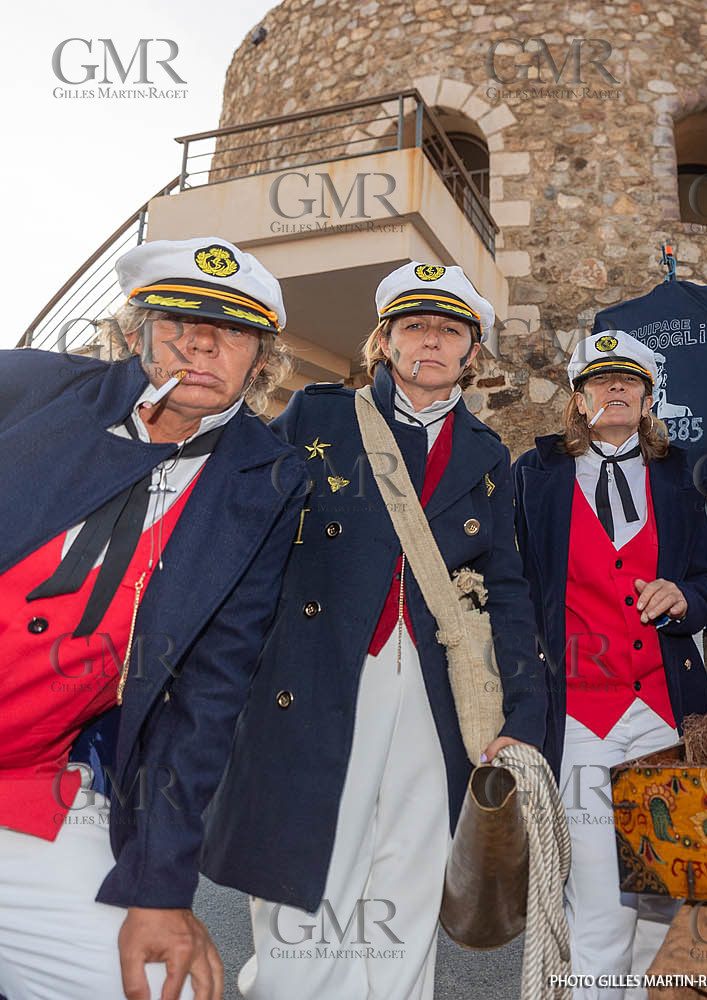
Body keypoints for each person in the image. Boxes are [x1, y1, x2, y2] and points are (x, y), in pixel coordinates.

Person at [198, 262, 546, 1000]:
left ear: (472, 353)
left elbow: (509, 588)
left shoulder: (488, 453)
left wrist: (525, 713)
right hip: (319, 670)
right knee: (309, 869)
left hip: (431, 686)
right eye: (414, 326)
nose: (431, 341)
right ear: (383, 342)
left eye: (450, 330)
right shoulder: (319, 416)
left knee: (413, 877)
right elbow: (248, 538)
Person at [0, 237, 304, 1000]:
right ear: (137, 332)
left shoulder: (265, 480)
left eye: (232, 329)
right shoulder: (30, 387)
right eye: (180, 319)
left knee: (152, 984)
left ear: (260, 357)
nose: (202, 343)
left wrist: (162, 889)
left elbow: (204, 699)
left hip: (24, 789)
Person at [512, 330, 707, 998]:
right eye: (600, 382)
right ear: (578, 400)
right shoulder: (536, 476)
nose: (615, 391)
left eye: (628, 382)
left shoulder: (679, 472)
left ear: (646, 396)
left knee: (665, 905)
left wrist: (685, 598)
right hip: (580, 718)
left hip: (663, 716)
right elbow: (512, 590)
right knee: (602, 910)